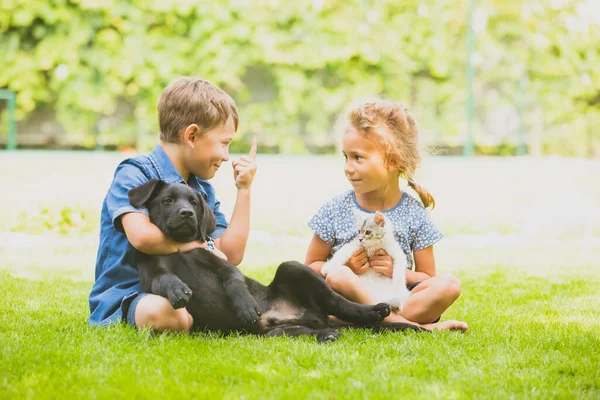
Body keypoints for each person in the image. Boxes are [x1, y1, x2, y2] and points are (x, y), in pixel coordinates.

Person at [89, 77, 257, 332]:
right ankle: (192, 319)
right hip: (130, 293)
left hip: (189, 290)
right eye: (224, 143)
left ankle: (196, 317)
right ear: (191, 136)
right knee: (161, 312)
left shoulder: (200, 191)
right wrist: (204, 245)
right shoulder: (134, 174)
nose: (226, 156)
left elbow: (231, 254)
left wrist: (244, 189)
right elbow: (143, 237)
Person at [305, 99, 468, 331]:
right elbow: (309, 267)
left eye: (358, 157)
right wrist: (349, 266)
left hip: (396, 299)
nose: (348, 167)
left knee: (449, 284)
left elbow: (426, 278)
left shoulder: (414, 213)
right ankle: (409, 327)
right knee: (338, 275)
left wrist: (397, 270)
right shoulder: (336, 208)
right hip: (346, 298)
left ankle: (360, 322)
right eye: (346, 157)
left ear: (393, 161)